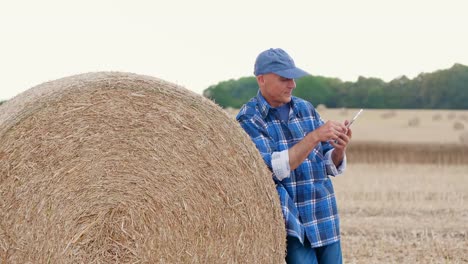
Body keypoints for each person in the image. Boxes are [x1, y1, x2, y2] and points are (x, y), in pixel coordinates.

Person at [236, 48, 352, 264]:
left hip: (323, 213)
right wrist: (315, 136)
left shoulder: (305, 108)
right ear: (261, 79)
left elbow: (328, 165)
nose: (292, 84)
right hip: (291, 223)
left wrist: (338, 150)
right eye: (284, 79)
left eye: (293, 78)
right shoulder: (249, 119)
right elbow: (272, 169)